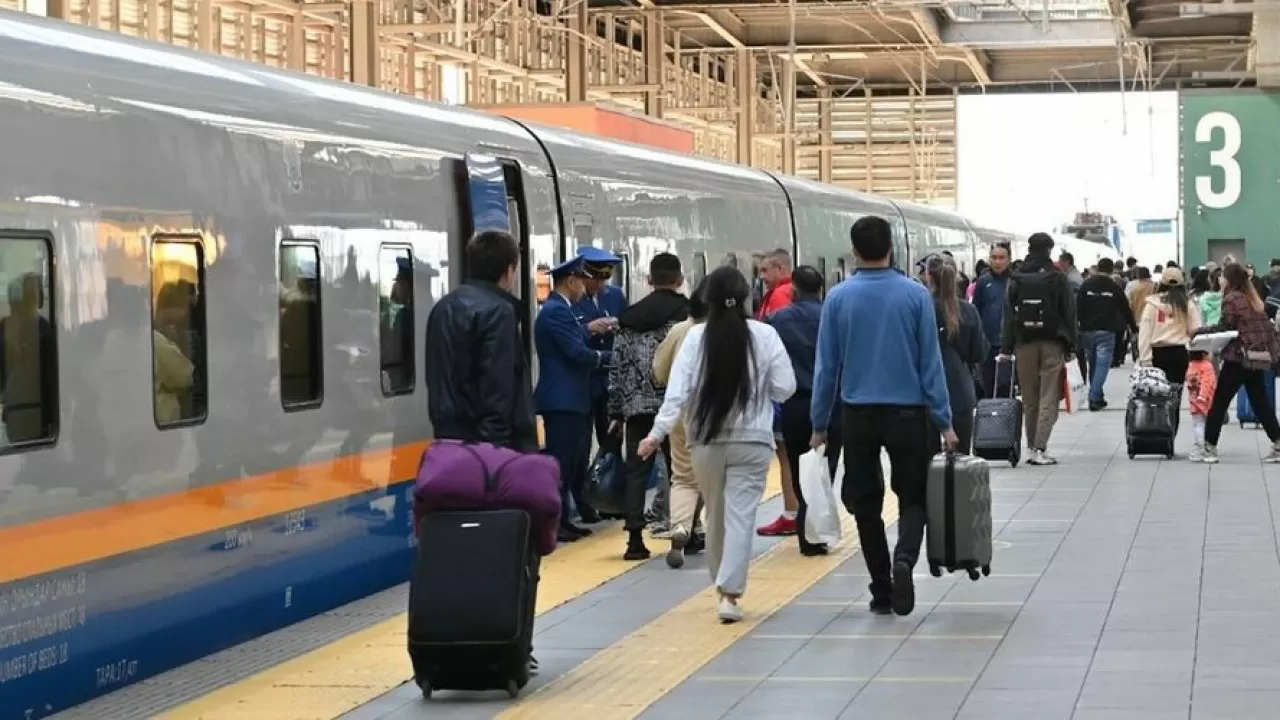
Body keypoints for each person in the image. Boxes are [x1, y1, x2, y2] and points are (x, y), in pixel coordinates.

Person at [811, 216, 956, 618]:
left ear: (854, 251)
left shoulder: (838, 298)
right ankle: (904, 559)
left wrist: (819, 423)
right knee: (913, 495)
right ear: (891, 248)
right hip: (908, 413)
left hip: (857, 413)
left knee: (865, 502)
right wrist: (944, 421)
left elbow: (826, 368)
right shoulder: (915, 295)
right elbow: (931, 364)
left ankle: (881, 590)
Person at [637, 266, 796, 623]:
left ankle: (722, 585)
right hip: (753, 441)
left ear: (707, 300)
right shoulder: (766, 335)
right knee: (740, 517)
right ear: (746, 298)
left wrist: (656, 434)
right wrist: (761, 391)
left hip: (706, 441)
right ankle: (730, 594)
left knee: (716, 516)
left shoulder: (695, 338)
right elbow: (785, 388)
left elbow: (677, 394)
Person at [607, 252, 689, 561]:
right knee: (681, 473)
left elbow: (616, 368)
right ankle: (686, 532)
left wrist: (616, 411)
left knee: (636, 472)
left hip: (637, 406)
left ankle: (634, 541)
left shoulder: (628, 318)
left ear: (649, 280)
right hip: (676, 407)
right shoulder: (687, 316)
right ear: (680, 280)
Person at [425, 230, 537, 452]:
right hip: (486, 447)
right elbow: (498, 389)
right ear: (509, 271)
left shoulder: (442, 308)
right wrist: (493, 452)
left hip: (448, 439)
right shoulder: (499, 311)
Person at [534, 255, 610, 542]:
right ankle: (556, 522)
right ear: (571, 280)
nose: (585, 287)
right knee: (561, 465)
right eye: (582, 281)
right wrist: (609, 358)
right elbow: (577, 354)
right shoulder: (557, 311)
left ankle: (564, 519)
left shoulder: (561, 310)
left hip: (571, 400)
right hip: (563, 401)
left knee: (572, 463)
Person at [769, 266, 842, 556]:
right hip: (832, 403)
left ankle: (807, 531)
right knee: (826, 468)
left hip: (795, 404)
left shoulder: (779, 320)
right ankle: (816, 530)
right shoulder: (833, 316)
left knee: (799, 467)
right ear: (821, 288)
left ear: (794, 289)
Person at [998, 232, 1077, 466]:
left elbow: (1008, 316)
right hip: (1052, 343)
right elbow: (1069, 313)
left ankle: (1031, 447)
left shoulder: (1016, 277)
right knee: (1048, 396)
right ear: (1049, 250)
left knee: (1029, 397)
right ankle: (1041, 447)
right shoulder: (1057, 277)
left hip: (1024, 343)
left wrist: (1006, 347)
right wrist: (1072, 344)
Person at [1196, 263, 1280, 463]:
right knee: (1261, 403)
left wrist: (1198, 332)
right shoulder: (1253, 298)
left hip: (1238, 358)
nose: (1220, 280)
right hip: (1255, 358)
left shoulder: (1232, 299)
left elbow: (1224, 326)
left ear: (1229, 279)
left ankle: (1209, 446)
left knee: (1219, 403)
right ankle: (1278, 442)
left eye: (1222, 277)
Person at [653, 277, 710, 567]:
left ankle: (682, 526)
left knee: (684, 477)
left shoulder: (679, 331)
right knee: (709, 476)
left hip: (681, 414)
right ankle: (698, 526)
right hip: (719, 416)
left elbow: (660, 370)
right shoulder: (734, 332)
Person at [575, 247, 627, 518]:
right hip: (584, 381)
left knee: (612, 442)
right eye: (596, 279)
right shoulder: (571, 300)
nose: (601, 286)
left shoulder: (616, 296)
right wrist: (589, 328)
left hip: (611, 381)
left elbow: (629, 328)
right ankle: (584, 501)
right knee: (581, 445)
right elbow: (567, 333)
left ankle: (611, 498)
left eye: (604, 279)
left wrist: (618, 325)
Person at [755, 248, 802, 539]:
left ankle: (792, 512)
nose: (761, 277)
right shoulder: (785, 293)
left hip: (785, 390)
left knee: (785, 454)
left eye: (765, 270)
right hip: (795, 387)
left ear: (782, 269)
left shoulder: (780, 297)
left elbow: (775, 345)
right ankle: (797, 511)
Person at [923, 255, 988, 454]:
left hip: (924, 391)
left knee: (926, 458)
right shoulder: (968, 311)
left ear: (928, 276)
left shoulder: (921, 309)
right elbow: (979, 353)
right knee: (960, 457)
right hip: (960, 390)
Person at [1076, 257, 1137, 410]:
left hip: (1087, 330)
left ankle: (1098, 395)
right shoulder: (1113, 287)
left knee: (1093, 363)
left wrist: (1079, 324)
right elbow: (1125, 308)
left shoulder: (1086, 285)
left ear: (1098, 268)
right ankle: (1094, 396)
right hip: (1106, 330)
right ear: (1111, 270)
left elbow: (1078, 306)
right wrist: (1133, 328)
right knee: (1103, 364)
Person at [1137, 267, 1201, 386]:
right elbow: (1194, 329)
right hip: (1179, 353)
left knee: (1158, 393)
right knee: (1175, 391)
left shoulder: (1152, 304)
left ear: (1162, 283)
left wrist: (1145, 358)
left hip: (1157, 354)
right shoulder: (1187, 304)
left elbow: (1145, 333)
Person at [972, 243, 1013, 398]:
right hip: (988, 344)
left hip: (1008, 345)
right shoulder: (983, 282)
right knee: (988, 386)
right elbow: (976, 310)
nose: (997, 262)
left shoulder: (1014, 281)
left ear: (1008, 259)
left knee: (1006, 386)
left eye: (1001, 258)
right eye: (994, 258)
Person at [1185, 349, 1217, 462]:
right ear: (1204, 354)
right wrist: (1203, 396)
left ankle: (1199, 446)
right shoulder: (1207, 366)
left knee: (1197, 424)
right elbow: (1207, 382)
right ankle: (1202, 447)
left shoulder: (1191, 365)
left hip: (1194, 399)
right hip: (1206, 399)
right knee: (1203, 424)